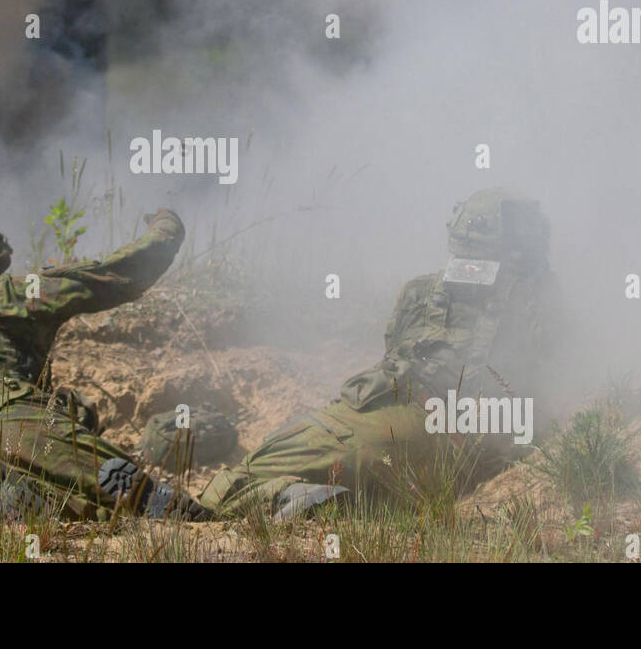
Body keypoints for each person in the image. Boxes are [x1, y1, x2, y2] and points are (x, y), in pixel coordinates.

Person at [196, 188, 563, 519]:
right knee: (375, 488)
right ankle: (318, 503)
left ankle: (281, 498)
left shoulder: (420, 290)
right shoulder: (536, 303)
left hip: (371, 413)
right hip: (439, 446)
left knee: (240, 479)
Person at [0, 207, 207, 521]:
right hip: (11, 420)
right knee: (156, 507)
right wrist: (167, 229)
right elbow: (109, 277)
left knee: (90, 517)